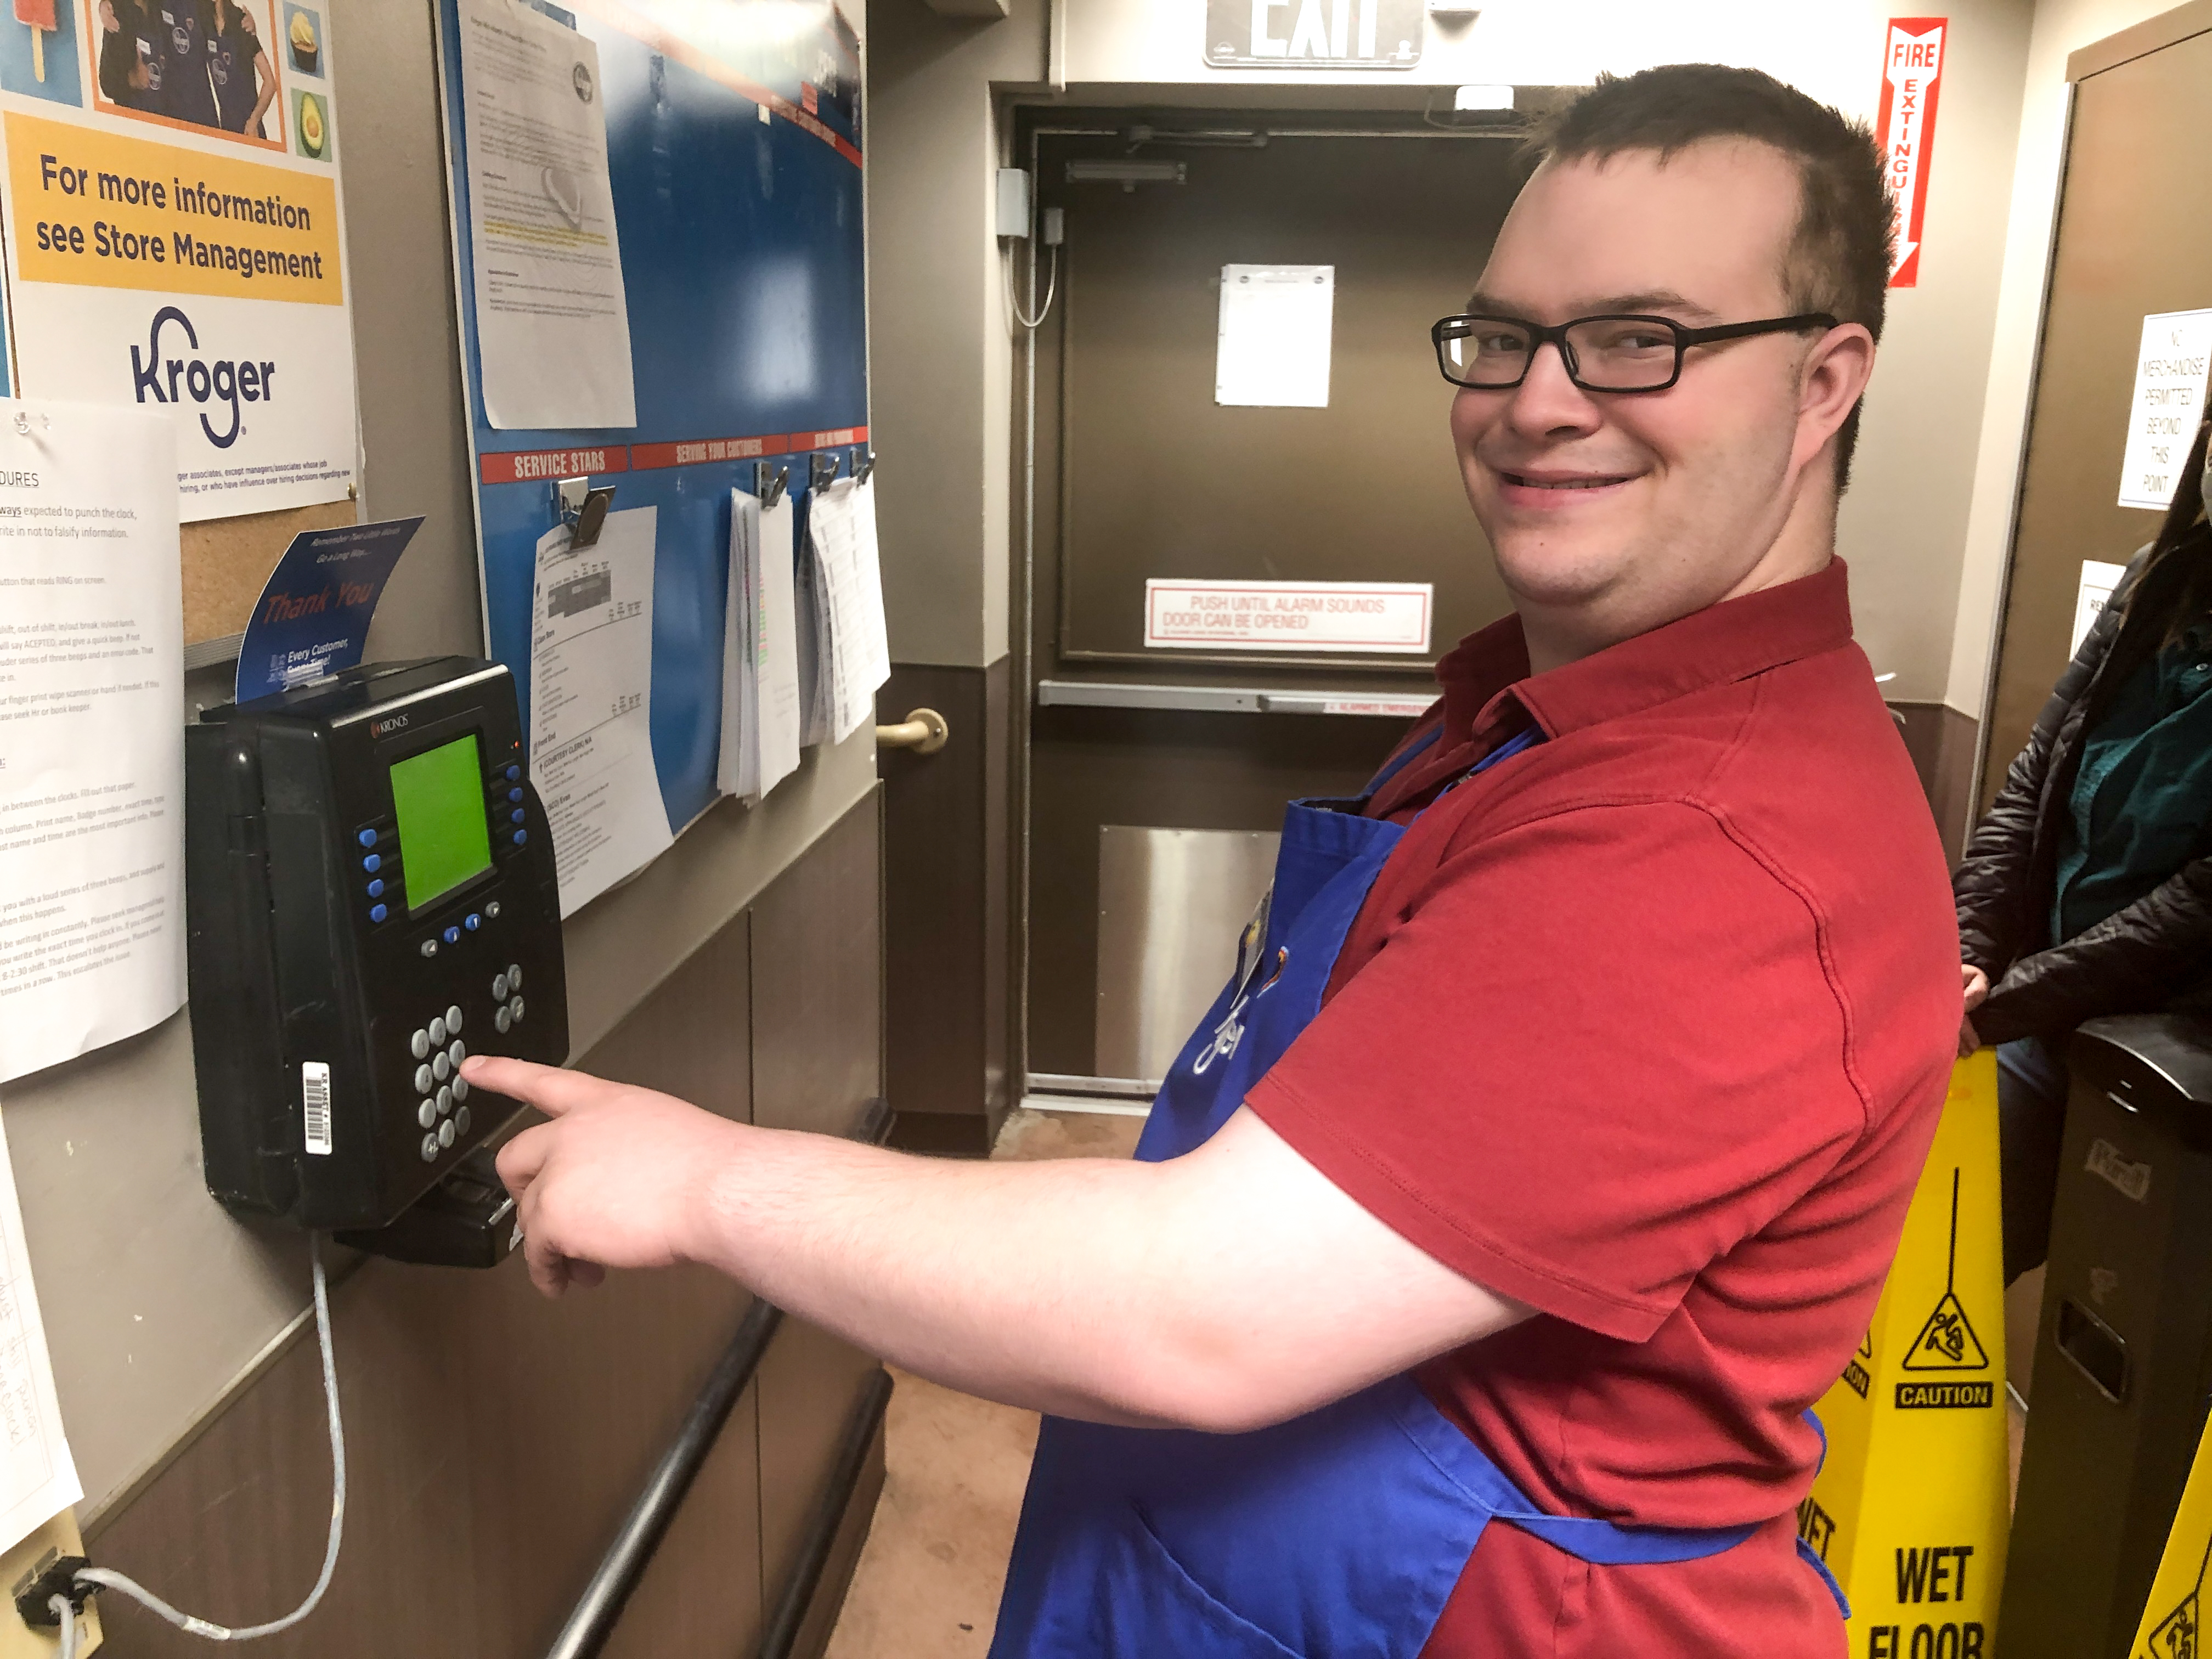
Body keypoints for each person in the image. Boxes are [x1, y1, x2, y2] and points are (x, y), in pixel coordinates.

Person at [465, 64, 1959, 1658]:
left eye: (1638, 339)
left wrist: (707, 1179)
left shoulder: (1705, 848)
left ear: (1823, 384)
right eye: (1503, 335)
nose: (1538, 399)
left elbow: (1203, 1306)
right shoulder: (1535, 723)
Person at [1956, 415, 2212, 1285]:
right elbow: (2039, 775)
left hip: (2174, 1052)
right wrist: (1973, 948)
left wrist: (2006, 1004)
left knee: (2130, 1346)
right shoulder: (2161, 581)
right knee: (1942, 1261)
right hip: (2048, 1017)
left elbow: (2196, 908)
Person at [208, 0, 274, 138]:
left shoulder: (241, 21)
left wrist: (254, 120)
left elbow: (270, 83)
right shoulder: (204, 24)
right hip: (226, 129)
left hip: (251, 130)